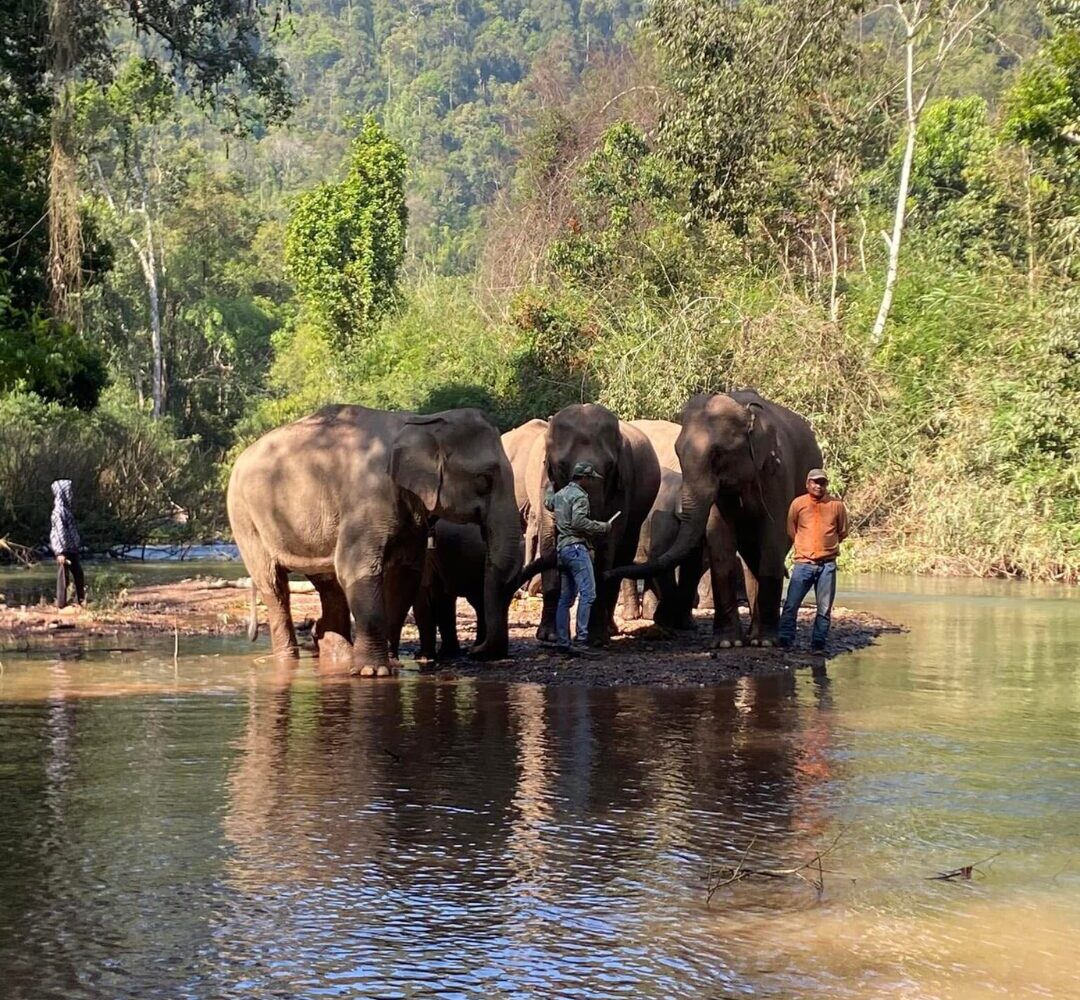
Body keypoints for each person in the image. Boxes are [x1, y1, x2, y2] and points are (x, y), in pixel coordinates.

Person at [544, 461, 620, 657]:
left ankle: (563, 641)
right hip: (577, 549)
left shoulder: (560, 495)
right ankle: (581, 639)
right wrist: (602, 527)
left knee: (565, 599)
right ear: (584, 478)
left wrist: (549, 487)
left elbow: (548, 503)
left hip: (562, 550)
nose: (593, 483)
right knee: (588, 594)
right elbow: (579, 522)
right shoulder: (580, 496)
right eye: (591, 479)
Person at [778, 468, 848, 653]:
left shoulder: (836, 506)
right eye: (815, 482)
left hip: (827, 565)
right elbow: (791, 530)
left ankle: (818, 644)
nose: (819, 486)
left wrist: (827, 546)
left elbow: (842, 531)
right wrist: (805, 546)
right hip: (803, 564)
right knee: (791, 604)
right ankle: (785, 640)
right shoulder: (798, 504)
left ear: (826, 485)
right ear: (807, 483)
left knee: (824, 608)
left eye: (822, 483)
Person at [50, 479, 85, 609]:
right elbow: (58, 532)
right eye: (68, 491)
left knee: (78, 574)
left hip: (72, 548)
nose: (71, 494)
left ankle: (80, 600)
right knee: (63, 577)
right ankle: (61, 604)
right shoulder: (59, 511)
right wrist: (59, 552)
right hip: (64, 549)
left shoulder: (66, 510)